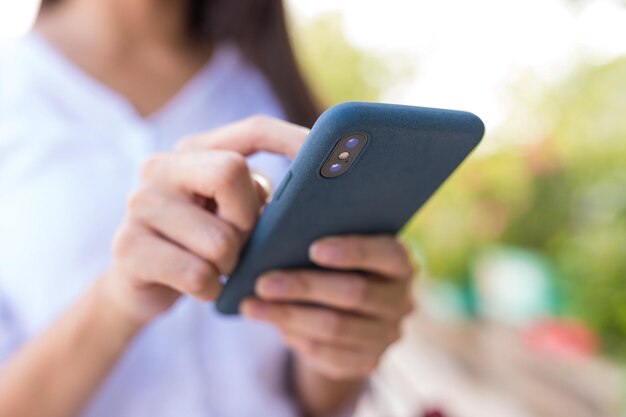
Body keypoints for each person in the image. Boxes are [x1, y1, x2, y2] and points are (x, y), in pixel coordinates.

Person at [0, 1, 415, 416]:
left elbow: (308, 397)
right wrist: (117, 302)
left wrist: (338, 348)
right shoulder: (15, 87)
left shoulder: (264, 83)